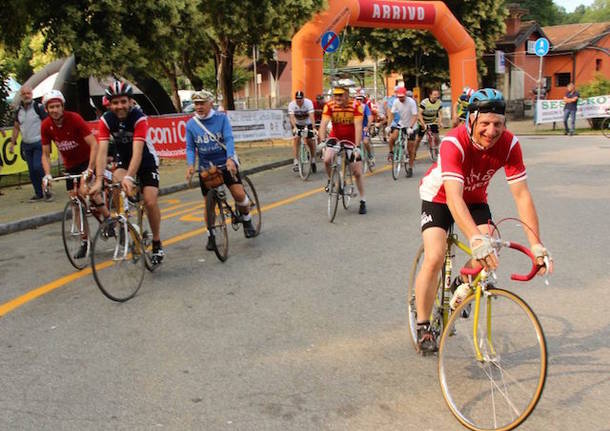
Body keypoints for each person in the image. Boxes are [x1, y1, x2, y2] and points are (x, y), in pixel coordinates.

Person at [414, 88, 553, 354]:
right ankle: (423, 324)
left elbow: (522, 195)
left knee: (492, 245)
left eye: (498, 124)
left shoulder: (510, 145)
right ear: (471, 120)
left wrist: (536, 244)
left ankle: (460, 284)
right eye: (485, 123)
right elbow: (454, 198)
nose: (491, 131)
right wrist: (474, 239)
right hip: (440, 197)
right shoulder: (453, 142)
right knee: (435, 255)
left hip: (475, 198)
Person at [89, 80, 165, 266]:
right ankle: (124, 221)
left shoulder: (139, 118)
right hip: (123, 160)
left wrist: (131, 176)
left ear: (130, 101)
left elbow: (138, 152)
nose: (119, 106)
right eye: (115, 102)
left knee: (150, 201)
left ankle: (156, 242)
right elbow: (102, 150)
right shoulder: (106, 120)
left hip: (146, 161)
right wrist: (98, 180)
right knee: (115, 181)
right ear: (109, 103)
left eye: (123, 101)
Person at [40, 90, 110, 258]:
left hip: (87, 160)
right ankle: (85, 241)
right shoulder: (45, 126)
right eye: (51, 107)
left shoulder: (75, 119)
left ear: (63, 106)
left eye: (57, 106)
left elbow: (94, 145)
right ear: (47, 109)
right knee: (75, 202)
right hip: (71, 166)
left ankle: (109, 221)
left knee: (88, 192)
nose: (55, 110)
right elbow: (45, 154)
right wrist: (47, 174)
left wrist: (91, 169)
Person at [185, 90, 257, 249]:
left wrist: (230, 158)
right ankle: (211, 235)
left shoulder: (221, 119)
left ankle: (247, 220)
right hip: (207, 167)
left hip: (225, 162)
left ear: (210, 103)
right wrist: (190, 165)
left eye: (202, 103)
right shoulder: (191, 124)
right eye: (196, 104)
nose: (199, 107)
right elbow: (190, 147)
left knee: (239, 194)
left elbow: (229, 138)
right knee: (209, 204)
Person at [318, 84, 367, 214]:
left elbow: (358, 127)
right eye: (336, 95)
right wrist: (323, 141)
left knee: (357, 171)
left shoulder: (356, 106)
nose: (337, 97)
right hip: (336, 138)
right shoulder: (329, 106)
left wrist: (356, 147)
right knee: (327, 159)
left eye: (340, 95)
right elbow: (323, 125)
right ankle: (331, 182)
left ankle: (363, 200)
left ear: (347, 95)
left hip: (352, 140)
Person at [9, 85, 50, 202]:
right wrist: (12, 143)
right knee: (32, 171)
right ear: (21, 95)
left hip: (39, 142)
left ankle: (47, 189)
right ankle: (38, 193)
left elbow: (46, 123)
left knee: (38, 166)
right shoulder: (18, 111)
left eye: (29, 93)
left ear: (32, 94)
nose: (27, 95)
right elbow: (16, 127)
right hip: (27, 144)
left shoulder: (39, 107)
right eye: (24, 94)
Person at [387, 87, 418, 176]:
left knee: (410, 148)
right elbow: (391, 114)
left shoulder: (411, 102)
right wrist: (389, 126)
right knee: (393, 137)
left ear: (405, 96)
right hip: (402, 123)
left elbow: (415, 116)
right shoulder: (396, 102)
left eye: (402, 97)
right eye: (399, 97)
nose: (401, 99)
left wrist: (411, 127)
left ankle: (410, 167)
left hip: (411, 124)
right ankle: (391, 152)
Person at [288, 91, 317, 173]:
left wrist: (314, 127)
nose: (299, 101)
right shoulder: (292, 105)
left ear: (303, 99)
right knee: (296, 139)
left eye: (300, 100)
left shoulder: (308, 103)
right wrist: (294, 127)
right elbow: (292, 117)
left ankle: (313, 159)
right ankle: (296, 162)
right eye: (297, 100)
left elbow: (311, 116)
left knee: (310, 141)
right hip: (297, 124)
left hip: (308, 123)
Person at [415, 89, 443, 157]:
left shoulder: (439, 102)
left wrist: (440, 122)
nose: (436, 96)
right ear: (430, 95)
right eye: (434, 95)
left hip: (432, 121)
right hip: (423, 121)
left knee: (436, 137)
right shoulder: (424, 102)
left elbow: (440, 113)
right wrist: (423, 124)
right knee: (419, 139)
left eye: (437, 95)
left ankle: (436, 148)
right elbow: (419, 113)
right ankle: (414, 152)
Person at [355, 89, 375, 168]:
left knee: (366, 142)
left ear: (363, 99)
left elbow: (370, 118)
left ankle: (370, 156)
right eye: (357, 99)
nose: (359, 101)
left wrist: (368, 126)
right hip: (355, 128)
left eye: (361, 99)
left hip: (364, 127)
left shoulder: (365, 107)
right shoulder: (353, 107)